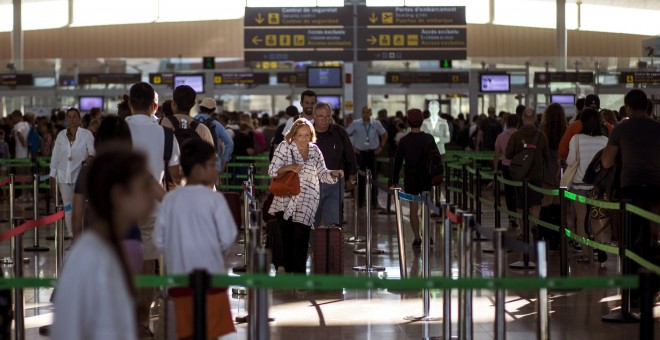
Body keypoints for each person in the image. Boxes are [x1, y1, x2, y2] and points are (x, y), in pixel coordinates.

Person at [51, 147, 156, 340]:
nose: (152, 195)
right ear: (119, 195)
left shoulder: (110, 250)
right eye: (144, 187)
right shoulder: (91, 259)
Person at [155, 138, 237, 339]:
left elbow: (159, 240)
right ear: (199, 168)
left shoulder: (170, 200)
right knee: (210, 333)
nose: (216, 169)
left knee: (184, 332)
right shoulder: (214, 199)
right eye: (212, 164)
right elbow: (228, 237)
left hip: (179, 281)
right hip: (211, 280)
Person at [124, 82, 182, 337]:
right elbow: (176, 175)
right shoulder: (166, 134)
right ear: (154, 106)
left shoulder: (117, 131)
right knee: (148, 265)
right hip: (154, 207)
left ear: (129, 103)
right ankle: (143, 320)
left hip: (121, 209)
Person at [601, 89, 660, 305]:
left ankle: (633, 293)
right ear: (647, 106)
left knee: (631, 241)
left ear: (627, 107)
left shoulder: (620, 128)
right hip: (655, 190)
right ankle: (652, 289)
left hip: (630, 190)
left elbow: (607, 162)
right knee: (652, 240)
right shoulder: (657, 128)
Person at [268, 119, 344, 273]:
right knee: (287, 237)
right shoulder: (284, 147)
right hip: (285, 199)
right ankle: (290, 270)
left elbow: (322, 173)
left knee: (301, 237)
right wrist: (289, 167)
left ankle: (300, 272)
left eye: (307, 135)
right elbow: (272, 171)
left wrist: (333, 174)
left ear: (311, 135)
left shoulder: (315, 150)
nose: (303, 138)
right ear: (293, 135)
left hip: (308, 199)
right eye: (300, 135)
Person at [566, 108, 609, 261]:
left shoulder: (576, 139)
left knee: (581, 220)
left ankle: (586, 254)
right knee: (597, 218)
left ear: (581, 122)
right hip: (598, 187)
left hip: (579, 186)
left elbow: (570, 162)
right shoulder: (605, 140)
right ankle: (600, 245)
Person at [393, 109, 437, 247]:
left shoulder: (404, 141)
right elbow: (436, 159)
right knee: (426, 208)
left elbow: (398, 162)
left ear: (408, 121)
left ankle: (417, 237)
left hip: (410, 176)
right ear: (423, 121)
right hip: (426, 177)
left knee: (413, 208)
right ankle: (427, 234)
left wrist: (394, 180)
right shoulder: (429, 139)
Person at [49, 107, 95, 238]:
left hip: (80, 177)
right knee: (68, 207)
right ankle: (72, 235)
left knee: (81, 208)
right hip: (63, 177)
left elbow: (92, 152)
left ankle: (84, 236)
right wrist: (52, 175)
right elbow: (55, 156)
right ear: (66, 119)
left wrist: (89, 159)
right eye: (69, 116)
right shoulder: (60, 135)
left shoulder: (86, 134)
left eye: (75, 116)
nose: (72, 119)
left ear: (79, 118)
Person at [313, 102, 358, 227]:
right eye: (321, 116)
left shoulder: (339, 132)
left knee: (333, 222)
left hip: (335, 183)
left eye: (327, 116)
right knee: (311, 221)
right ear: (314, 116)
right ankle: (310, 245)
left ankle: (332, 246)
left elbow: (350, 155)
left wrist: (352, 179)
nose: (325, 119)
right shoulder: (306, 133)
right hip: (312, 184)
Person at [505, 108, 550, 229]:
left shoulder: (516, 136)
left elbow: (508, 155)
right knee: (536, 202)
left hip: (520, 175)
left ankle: (523, 232)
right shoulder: (541, 136)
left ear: (522, 118)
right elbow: (547, 155)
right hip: (536, 175)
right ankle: (535, 226)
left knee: (520, 204)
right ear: (535, 118)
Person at [346, 106, 388, 208]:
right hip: (360, 153)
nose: (365, 114)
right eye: (364, 112)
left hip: (373, 153)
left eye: (368, 112)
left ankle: (374, 202)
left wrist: (381, 147)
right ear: (361, 113)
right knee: (360, 178)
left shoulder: (376, 124)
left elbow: (385, 134)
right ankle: (360, 202)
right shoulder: (356, 123)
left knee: (374, 178)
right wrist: (352, 148)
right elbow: (345, 135)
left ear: (371, 113)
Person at [493, 114, 519, 228]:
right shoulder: (521, 136)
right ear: (518, 123)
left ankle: (511, 216)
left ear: (507, 123)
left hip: (506, 167)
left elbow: (496, 155)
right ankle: (520, 215)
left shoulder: (501, 136)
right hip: (519, 167)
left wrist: (495, 169)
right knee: (519, 191)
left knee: (509, 192)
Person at [197, 98, 234, 173]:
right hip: (213, 164)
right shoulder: (216, 124)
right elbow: (230, 143)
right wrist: (224, 160)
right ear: (213, 110)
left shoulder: (190, 122)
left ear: (200, 108)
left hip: (193, 165)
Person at [541, 103, 567, 191]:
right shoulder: (567, 131)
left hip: (546, 169)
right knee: (562, 199)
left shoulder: (542, 130)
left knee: (548, 198)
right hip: (563, 167)